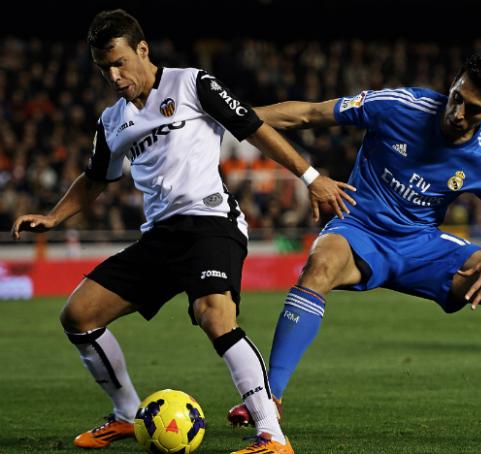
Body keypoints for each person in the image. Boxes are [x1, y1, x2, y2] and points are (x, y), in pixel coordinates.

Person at [11, 9, 355, 454]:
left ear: (142, 50)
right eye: (103, 69)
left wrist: (312, 177)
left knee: (215, 315)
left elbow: (253, 129)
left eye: (119, 63)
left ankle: (272, 435)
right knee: (78, 317)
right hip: (159, 237)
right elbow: (95, 178)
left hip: (211, 223)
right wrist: (56, 217)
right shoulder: (112, 122)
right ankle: (126, 415)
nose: (114, 76)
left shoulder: (192, 84)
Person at [228, 53, 481, 445]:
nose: (457, 111)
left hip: (421, 244)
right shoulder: (400, 105)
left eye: (472, 108)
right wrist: (228, 113)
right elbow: (310, 114)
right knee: (320, 264)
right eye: (456, 97)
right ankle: (270, 397)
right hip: (359, 228)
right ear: (451, 85)